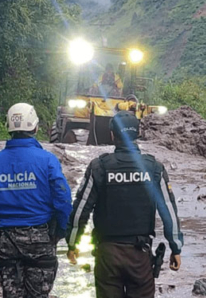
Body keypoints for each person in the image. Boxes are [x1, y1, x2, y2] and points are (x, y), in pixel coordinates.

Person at [66, 110, 184, 298]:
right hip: (140, 255)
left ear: (112, 135)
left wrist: (73, 244)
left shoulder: (99, 166)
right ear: (137, 134)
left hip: (107, 255)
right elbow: (168, 211)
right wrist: (176, 247)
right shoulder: (154, 168)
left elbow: (81, 209)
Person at [0, 103, 72, 298]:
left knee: (11, 294)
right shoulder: (47, 160)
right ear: (35, 127)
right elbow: (63, 199)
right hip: (39, 240)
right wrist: (61, 230)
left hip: (4, 242)